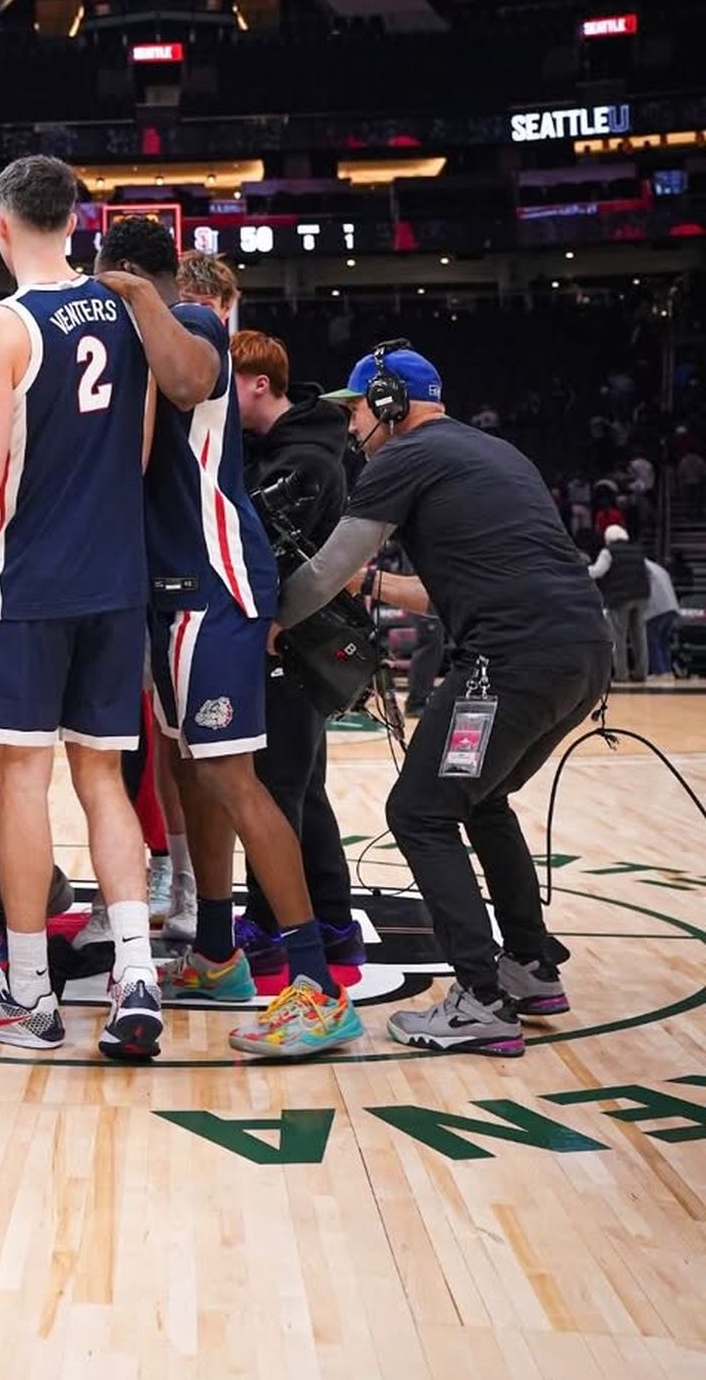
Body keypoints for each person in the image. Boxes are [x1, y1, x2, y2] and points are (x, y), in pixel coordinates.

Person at [0, 156, 176, 1061]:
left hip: (29, 584)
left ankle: (29, 992)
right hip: (117, 580)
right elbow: (136, 455)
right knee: (103, 780)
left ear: (1, 218)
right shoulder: (130, 315)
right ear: (75, 217)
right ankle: (136, 975)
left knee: (18, 784)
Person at [278, 341, 611, 1054]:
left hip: (508, 661)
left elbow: (330, 563)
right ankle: (529, 964)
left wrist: (269, 622)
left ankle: (480, 999)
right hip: (583, 655)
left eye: (359, 408)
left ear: (392, 404)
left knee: (419, 811)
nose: (352, 425)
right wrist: (368, 588)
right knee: (480, 799)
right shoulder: (494, 454)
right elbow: (435, 591)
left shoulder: (405, 456)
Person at [101, 228, 365, 1063]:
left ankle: (317, 987)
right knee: (189, 771)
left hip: (213, 580)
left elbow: (183, 375)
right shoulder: (137, 330)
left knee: (234, 778)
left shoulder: (192, 323)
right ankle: (216, 950)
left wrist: (140, 295)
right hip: (166, 586)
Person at [229, 330, 364, 974]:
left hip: (291, 637)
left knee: (275, 789)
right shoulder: (291, 446)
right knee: (303, 787)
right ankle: (334, 921)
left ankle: (270, 924)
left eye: (229, 383)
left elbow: (268, 552)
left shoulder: (305, 459)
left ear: (259, 382)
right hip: (302, 642)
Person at [589, 523, 649, 684]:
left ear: (608, 538)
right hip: (642, 596)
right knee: (639, 635)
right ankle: (641, 673)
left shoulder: (608, 551)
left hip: (620, 597)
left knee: (618, 636)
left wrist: (580, 571)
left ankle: (621, 674)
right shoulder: (638, 550)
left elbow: (598, 571)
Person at [644, 554, 680, 679]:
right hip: (671, 607)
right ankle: (667, 671)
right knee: (662, 641)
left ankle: (659, 672)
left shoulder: (642, 566)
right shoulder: (658, 568)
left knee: (652, 640)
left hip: (657, 609)